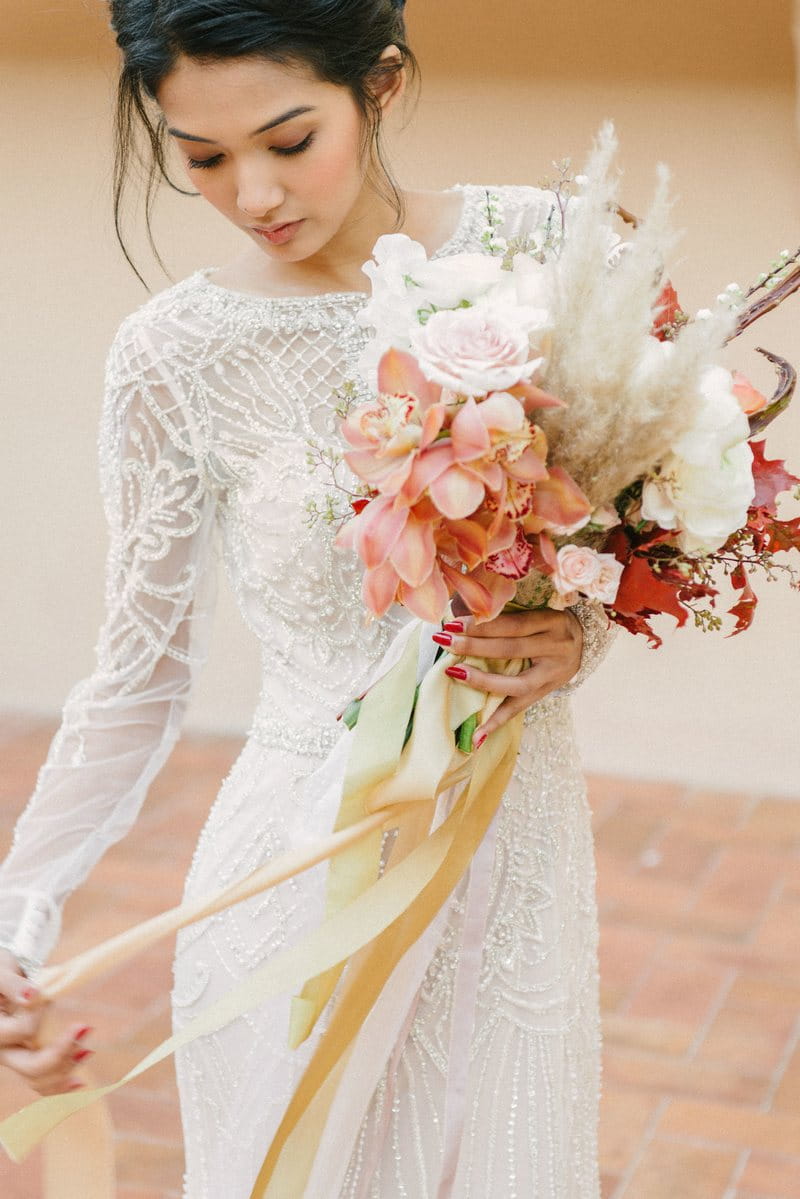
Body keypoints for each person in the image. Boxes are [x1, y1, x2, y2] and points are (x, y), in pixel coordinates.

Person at [0, 2, 616, 1195]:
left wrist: (571, 638)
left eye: (288, 141)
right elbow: (140, 671)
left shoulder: (543, 249)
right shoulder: (174, 352)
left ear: (378, 85)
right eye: (204, 159)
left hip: (511, 846)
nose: (254, 194)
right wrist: (20, 911)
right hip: (289, 862)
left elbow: (629, 531)